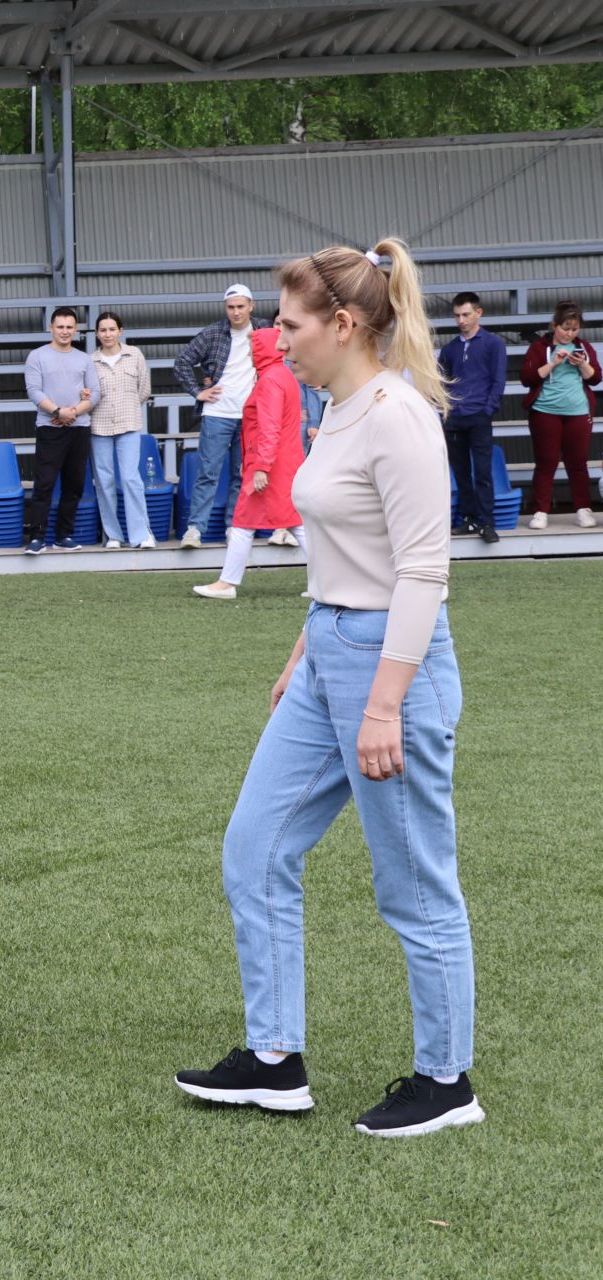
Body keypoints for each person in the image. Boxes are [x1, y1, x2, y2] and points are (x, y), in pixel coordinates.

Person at [176, 239, 483, 1139]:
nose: (277, 337)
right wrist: (305, 648)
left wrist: (383, 701)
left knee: (414, 885)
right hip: (328, 651)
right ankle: (274, 1061)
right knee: (255, 848)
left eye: (289, 322)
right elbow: (349, 555)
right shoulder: (338, 406)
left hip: (395, 664)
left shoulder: (396, 415)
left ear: (343, 325)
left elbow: (424, 572)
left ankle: (446, 1081)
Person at [192, 328, 308, 600]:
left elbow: (268, 428)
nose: (249, 353)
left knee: (246, 521)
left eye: (252, 348)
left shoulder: (269, 380)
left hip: (270, 465)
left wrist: (261, 467)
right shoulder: (283, 376)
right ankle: (327, 583)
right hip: (285, 462)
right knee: (294, 522)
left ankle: (227, 583)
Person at [175, 285, 271, 548]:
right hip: (218, 412)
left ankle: (235, 526)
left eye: (241, 306)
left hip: (251, 414)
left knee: (242, 474)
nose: (236, 312)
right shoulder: (213, 332)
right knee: (208, 472)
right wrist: (198, 392)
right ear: (225, 308)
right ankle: (195, 529)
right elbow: (182, 361)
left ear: (251, 305)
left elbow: (286, 354)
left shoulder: (266, 329)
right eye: (231, 307)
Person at [22, 306, 101, 553]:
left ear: (75, 330)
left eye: (69, 327)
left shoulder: (84, 358)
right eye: (60, 326)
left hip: (79, 428)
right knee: (44, 484)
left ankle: (63, 535)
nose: (64, 331)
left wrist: (73, 412)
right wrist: (58, 412)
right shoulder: (37, 356)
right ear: (51, 327)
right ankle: (37, 537)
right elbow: (34, 391)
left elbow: (95, 392)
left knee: (74, 485)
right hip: (50, 427)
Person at [519, 300, 599, 529]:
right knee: (546, 463)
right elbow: (527, 378)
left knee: (578, 463)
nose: (569, 334)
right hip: (545, 411)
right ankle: (540, 511)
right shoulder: (538, 348)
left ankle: (583, 510)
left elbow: (595, 378)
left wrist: (583, 364)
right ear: (554, 325)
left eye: (574, 329)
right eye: (565, 328)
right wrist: (553, 362)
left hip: (578, 411)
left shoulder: (583, 347)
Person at [437, 292, 506, 544]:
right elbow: (442, 382)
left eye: (466, 314)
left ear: (479, 313)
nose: (461, 320)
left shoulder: (493, 344)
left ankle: (486, 522)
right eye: (457, 315)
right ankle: (469, 518)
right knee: (461, 472)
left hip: (479, 416)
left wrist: (487, 409)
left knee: (483, 472)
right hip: (454, 417)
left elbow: (498, 380)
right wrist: (446, 410)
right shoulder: (450, 348)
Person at [87, 311, 155, 548]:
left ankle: (141, 535)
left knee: (130, 478)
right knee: (104, 481)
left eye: (112, 329)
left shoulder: (134, 354)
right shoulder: (90, 361)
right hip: (99, 426)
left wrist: (126, 406)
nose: (108, 334)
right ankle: (113, 535)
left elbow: (144, 389)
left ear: (120, 331)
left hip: (128, 424)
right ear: (97, 333)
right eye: (103, 330)